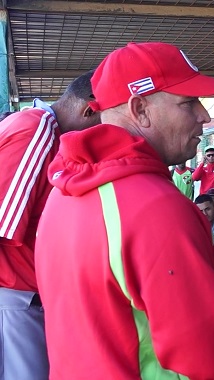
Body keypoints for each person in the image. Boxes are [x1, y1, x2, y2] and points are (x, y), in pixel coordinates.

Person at [33, 42, 214, 379]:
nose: (203, 115)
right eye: (188, 102)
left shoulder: (62, 192)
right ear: (140, 109)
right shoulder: (156, 207)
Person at [0, 71, 100, 379]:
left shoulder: (40, 129)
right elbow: (3, 224)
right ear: (89, 110)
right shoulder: (39, 128)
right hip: (16, 295)